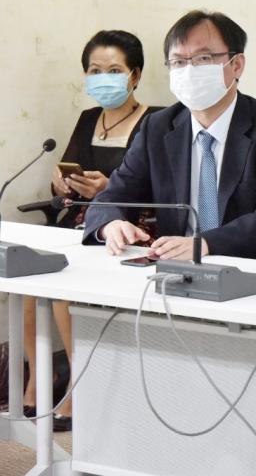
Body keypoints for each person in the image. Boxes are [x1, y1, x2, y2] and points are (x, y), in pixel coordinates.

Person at [83, 10, 256, 265]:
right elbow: (112, 197)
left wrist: (205, 244)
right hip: (179, 269)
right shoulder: (157, 128)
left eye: (203, 58)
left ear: (236, 65)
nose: (190, 71)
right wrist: (111, 224)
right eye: (179, 62)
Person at [23, 29, 159, 432]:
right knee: (28, 287)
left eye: (114, 70)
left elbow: (161, 189)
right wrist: (61, 183)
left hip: (129, 227)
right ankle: (39, 377)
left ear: (135, 75)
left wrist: (109, 188)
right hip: (78, 223)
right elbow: (66, 180)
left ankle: (80, 384)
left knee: (62, 291)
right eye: (95, 70)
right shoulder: (87, 119)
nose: (103, 78)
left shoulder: (155, 121)